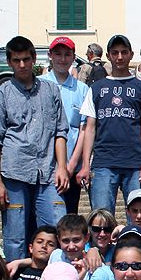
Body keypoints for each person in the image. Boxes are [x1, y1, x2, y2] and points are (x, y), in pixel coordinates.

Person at [0, 35, 70, 262]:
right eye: (16, 60)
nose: (21, 65)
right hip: (14, 172)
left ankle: (55, 275)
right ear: (9, 62)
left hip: (48, 172)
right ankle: (15, 279)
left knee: (56, 227)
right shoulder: (1, 95)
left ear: (34, 59)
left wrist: (62, 167)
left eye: (25, 59)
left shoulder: (51, 90)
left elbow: (60, 132)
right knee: (15, 235)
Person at [78, 34, 141, 213]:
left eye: (124, 52)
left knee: (139, 220)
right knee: (101, 218)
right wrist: (86, 164)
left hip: (135, 163)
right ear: (108, 56)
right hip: (103, 162)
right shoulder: (96, 88)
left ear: (131, 55)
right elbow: (89, 128)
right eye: (115, 53)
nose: (119, 57)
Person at [41, 36, 91, 215]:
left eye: (67, 54)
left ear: (73, 58)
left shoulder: (82, 89)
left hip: (71, 167)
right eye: (58, 54)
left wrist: (71, 166)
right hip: (42, 168)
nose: (62, 59)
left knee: (68, 219)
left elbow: (84, 129)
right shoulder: (39, 84)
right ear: (50, 55)